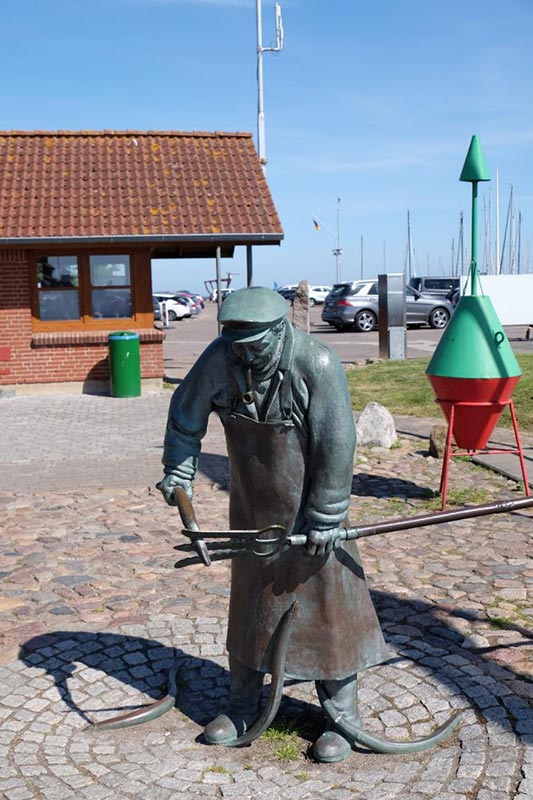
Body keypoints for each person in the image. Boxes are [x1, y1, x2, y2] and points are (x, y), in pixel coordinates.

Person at [158, 286, 390, 763]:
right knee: (250, 608)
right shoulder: (222, 357)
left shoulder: (317, 365)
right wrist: (179, 469)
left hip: (311, 515)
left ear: (280, 329)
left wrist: (327, 515)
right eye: (236, 342)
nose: (243, 352)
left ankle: (342, 717)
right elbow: (185, 418)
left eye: (253, 343)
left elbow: (336, 443)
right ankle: (243, 706)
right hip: (251, 514)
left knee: (329, 609)